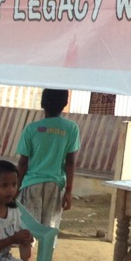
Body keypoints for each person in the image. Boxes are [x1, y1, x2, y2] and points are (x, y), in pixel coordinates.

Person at [16, 90, 80, 229]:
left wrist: (16, 187)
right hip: (55, 186)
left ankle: (27, 251)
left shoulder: (31, 129)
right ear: (65, 103)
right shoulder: (71, 128)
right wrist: (68, 191)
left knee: (28, 231)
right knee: (49, 231)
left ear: (42, 103)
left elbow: (22, 163)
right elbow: (70, 162)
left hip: (31, 184)